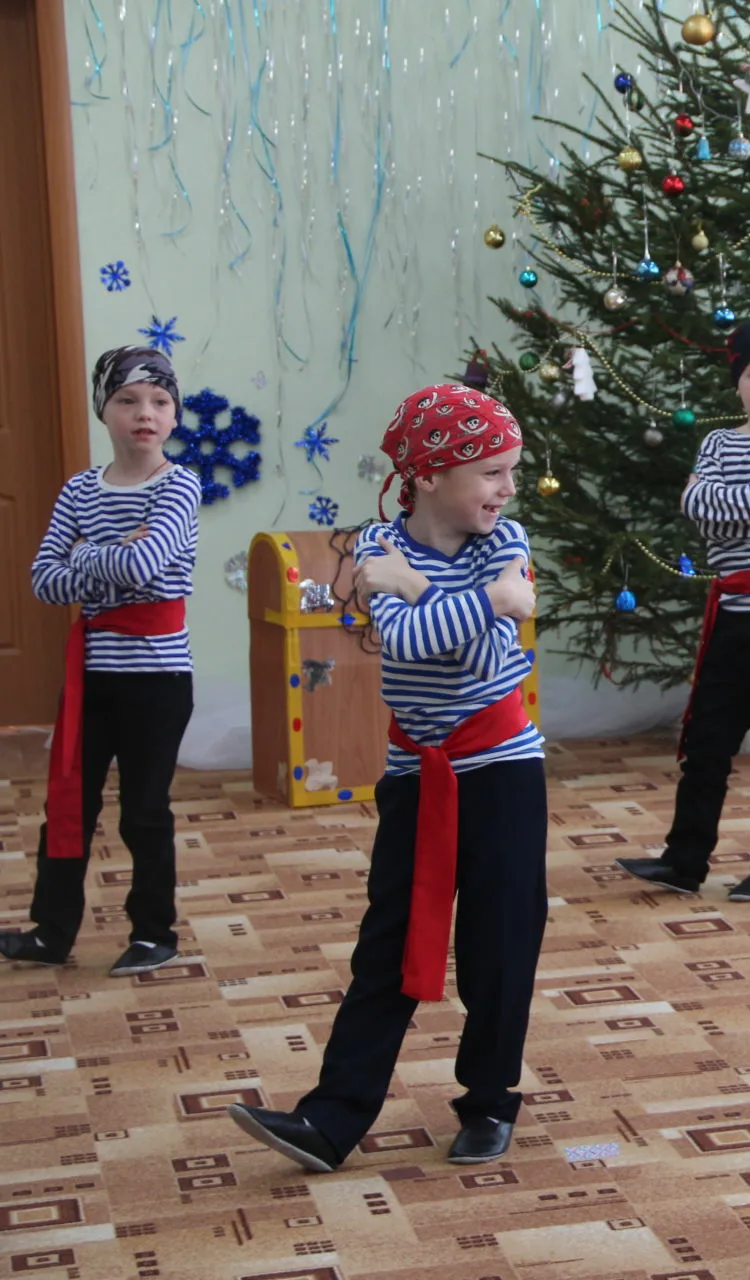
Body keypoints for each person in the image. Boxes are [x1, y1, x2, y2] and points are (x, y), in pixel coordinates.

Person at [228, 384, 545, 1172]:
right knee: (389, 947)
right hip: (415, 775)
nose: (508, 489)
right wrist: (483, 602)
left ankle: (489, 1103)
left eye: (511, 472)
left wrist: (426, 591)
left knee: (499, 946)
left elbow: (471, 654)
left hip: (503, 771)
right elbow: (406, 646)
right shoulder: (375, 544)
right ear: (431, 476)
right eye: (493, 472)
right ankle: (330, 1122)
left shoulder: (504, 538)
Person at [0, 347, 199, 977]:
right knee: (69, 804)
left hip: (158, 681)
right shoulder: (79, 489)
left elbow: (147, 565)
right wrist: (114, 553)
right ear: (104, 411)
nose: (145, 413)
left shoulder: (180, 484)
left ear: (173, 417)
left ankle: (152, 933)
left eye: (160, 402)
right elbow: (43, 580)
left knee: (143, 810)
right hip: (91, 676)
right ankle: (50, 931)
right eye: (128, 400)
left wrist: (87, 555)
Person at [617, 319, 750, 903]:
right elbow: (700, 507)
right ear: (739, 384)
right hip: (734, 611)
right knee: (707, 741)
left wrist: (725, 501)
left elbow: (738, 502)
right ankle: (685, 862)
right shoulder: (717, 443)